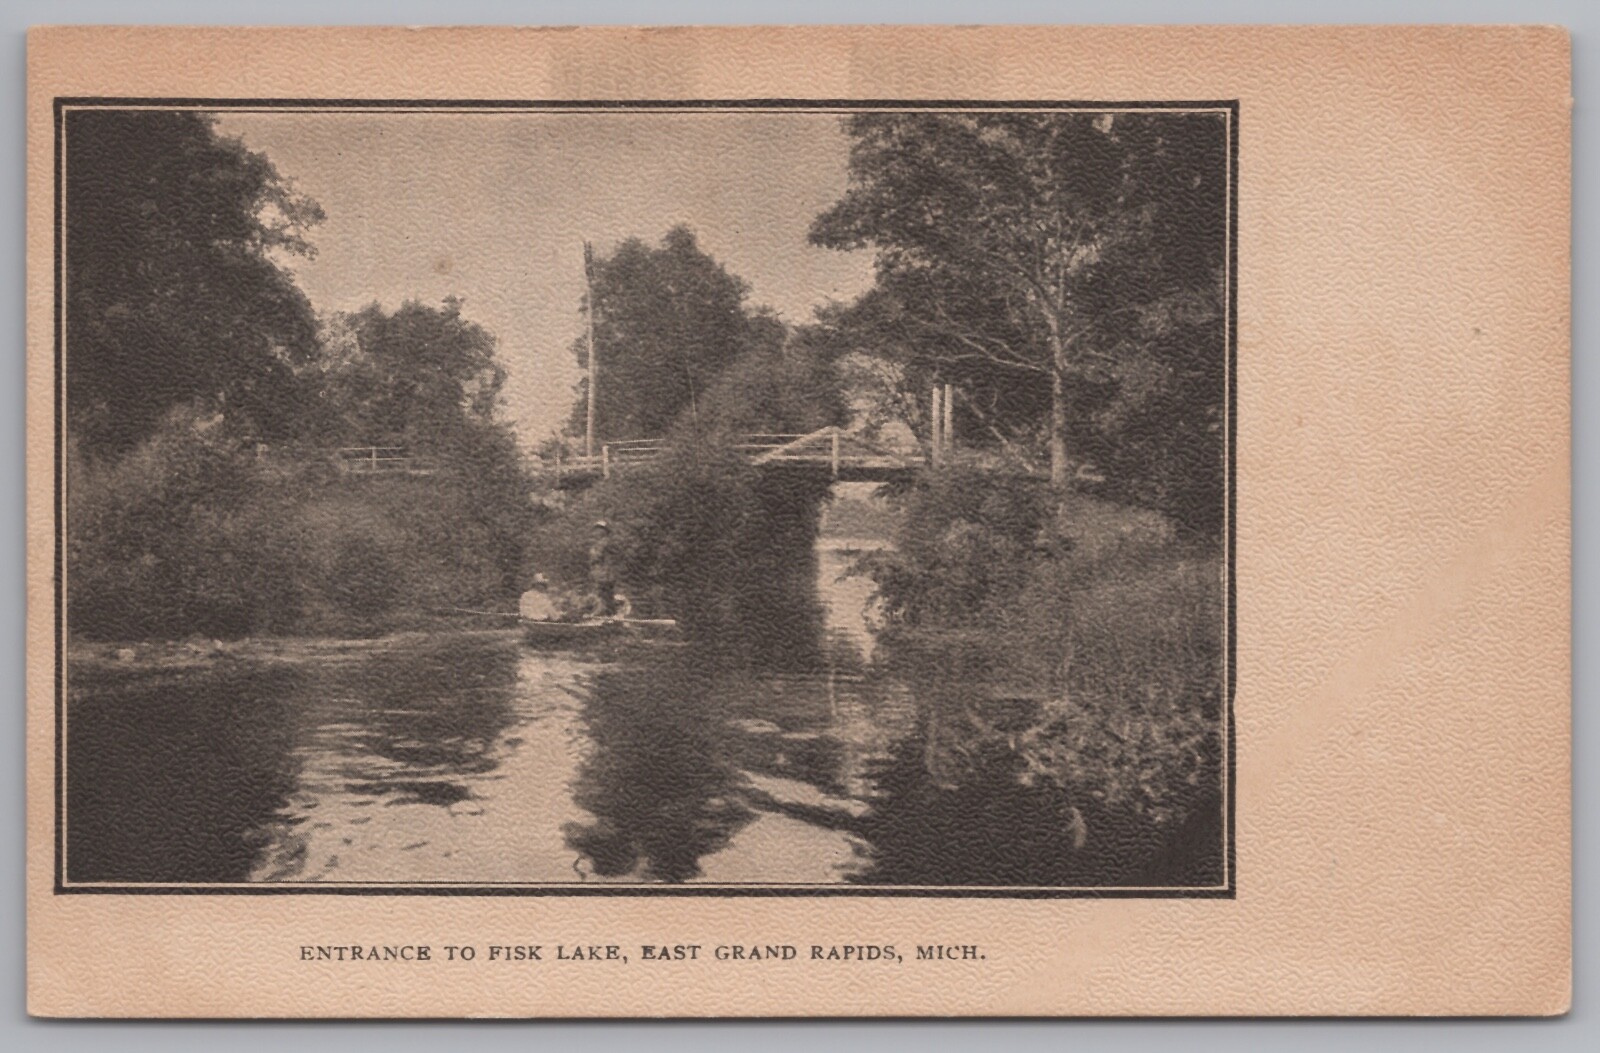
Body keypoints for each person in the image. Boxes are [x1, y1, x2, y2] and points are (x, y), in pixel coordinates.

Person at [588, 520, 619, 617]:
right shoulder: (598, 544)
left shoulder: (605, 543)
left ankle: (605, 614)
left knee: (603, 594)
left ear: (605, 531)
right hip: (599, 573)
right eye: (596, 529)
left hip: (605, 574)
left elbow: (599, 556)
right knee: (602, 594)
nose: (597, 532)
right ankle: (608, 614)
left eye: (601, 529)